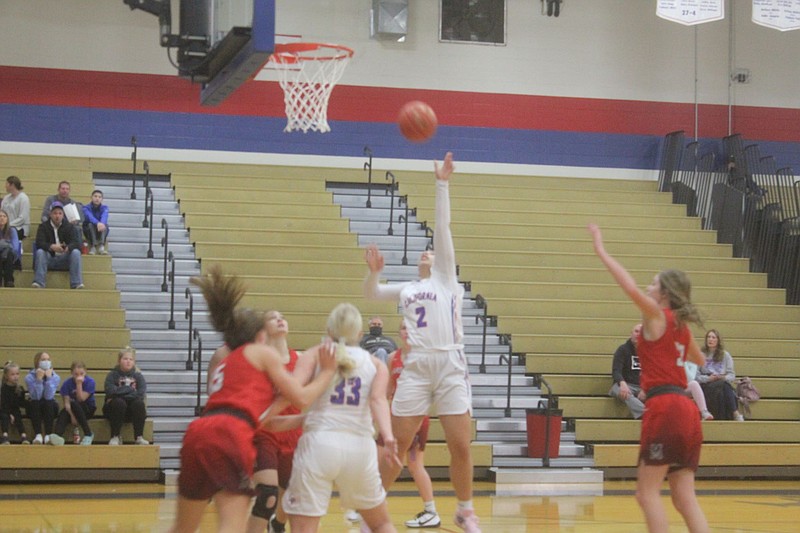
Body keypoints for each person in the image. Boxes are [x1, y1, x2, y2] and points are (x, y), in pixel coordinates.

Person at [363, 152, 482, 533]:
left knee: (460, 445)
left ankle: (465, 510)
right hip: (415, 367)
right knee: (396, 448)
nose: (430, 252)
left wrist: (441, 184)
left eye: (434, 251)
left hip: (449, 363)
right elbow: (372, 294)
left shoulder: (447, 280)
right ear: (419, 261)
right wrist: (373, 274)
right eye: (426, 252)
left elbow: (443, 230)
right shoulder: (409, 288)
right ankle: (372, 513)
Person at [169, 266, 337, 533]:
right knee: (232, 525)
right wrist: (328, 371)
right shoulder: (261, 352)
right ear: (260, 335)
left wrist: (293, 411)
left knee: (182, 528)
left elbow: (263, 419)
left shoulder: (228, 358)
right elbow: (303, 396)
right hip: (231, 433)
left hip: (199, 432)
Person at [589, 223, 709, 533]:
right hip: (688, 411)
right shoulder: (681, 325)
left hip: (666, 407)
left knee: (646, 494)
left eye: (654, 284)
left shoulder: (657, 316)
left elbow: (628, 287)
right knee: (684, 498)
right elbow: (700, 359)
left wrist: (602, 251)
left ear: (665, 294)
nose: (648, 286)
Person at [281, 302, 401, 533]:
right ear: (359, 333)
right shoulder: (376, 363)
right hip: (360, 447)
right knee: (381, 523)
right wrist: (387, 436)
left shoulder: (316, 354)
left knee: (304, 526)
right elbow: (378, 401)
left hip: (320, 443)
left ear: (329, 330)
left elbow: (293, 393)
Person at [241, 310, 304, 533]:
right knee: (267, 496)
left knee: (290, 493)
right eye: (272, 317)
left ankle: (278, 524)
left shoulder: (303, 360)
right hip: (266, 433)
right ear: (262, 330)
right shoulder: (260, 363)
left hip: (294, 434)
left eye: (282, 316)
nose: (279, 319)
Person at [32, 201, 84, 289]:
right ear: (50, 214)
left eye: (60, 213)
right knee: (40, 252)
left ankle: (76, 283)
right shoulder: (43, 227)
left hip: (65, 259)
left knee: (76, 252)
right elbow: (39, 243)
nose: (57, 216)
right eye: (55, 213)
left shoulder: (70, 227)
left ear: (63, 215)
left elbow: (77, 243)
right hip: (49, 258)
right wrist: (51, 247)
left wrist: (68, 248)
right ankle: (39, 282)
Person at [103, 347, 148, 445]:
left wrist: (119, 393)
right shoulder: (112, 375)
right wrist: (129, 389)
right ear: (119, 361)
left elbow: (140, 393)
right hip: (114, 409)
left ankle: (139, 437)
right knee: (119, 402)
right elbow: (110, 391)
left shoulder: (138, 376)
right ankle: (115, 436)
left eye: (131, 359)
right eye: (125, 359)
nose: (128, 361)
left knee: (139, 404)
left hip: (130, 411)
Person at [697, 329, 743, 421]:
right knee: (724, 385)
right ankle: (735, 412)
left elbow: (732, 375)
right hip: (707, 385)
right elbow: (695, 376)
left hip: (721, 382)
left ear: (718, 340)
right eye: (709, 337)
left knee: (723, 385)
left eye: (713, 337)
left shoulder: (725, 355)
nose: (710, 339)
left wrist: (723, 377)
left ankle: (723, 416)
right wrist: (708, 378)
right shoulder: (700, 354)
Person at [48, 360, 96, 446]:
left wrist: (79, 384)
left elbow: (81, 399)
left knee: (73, 402)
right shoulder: (67, 384)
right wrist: (72, 416)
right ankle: (58, 435)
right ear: (72, 374)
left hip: (87, 409)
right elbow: (66, 403)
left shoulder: (90, 382)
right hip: (73, 410)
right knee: (64, 412)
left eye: (81, 374)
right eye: (76, 374)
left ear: (85, 372)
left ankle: (88, 433)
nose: (79, 376)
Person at [609, 323, 645, 419]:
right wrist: (622, 384)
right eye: (636, 331)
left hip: (642, 386)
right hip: (624, 384)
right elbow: (616, 371)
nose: (638, 334)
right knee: (624, 393)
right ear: (631, 333)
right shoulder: (622, 350)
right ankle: (647, 414)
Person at [25, 351, 61, 445]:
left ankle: (48, 434)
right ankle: (38, 434)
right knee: (35, 402)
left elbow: (48, 396)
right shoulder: (29, 377)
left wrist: (49, 379)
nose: (46, 361)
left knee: (48, 402)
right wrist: (38, 380)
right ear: (37, 362)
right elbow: (36, 396)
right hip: (35, 406)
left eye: (48, 359)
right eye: (43, 359)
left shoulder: (55, 377)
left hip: (49, 406)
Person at [1, 361, 30, 444]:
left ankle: (23, 435)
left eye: (17, 374)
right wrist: (10, 414)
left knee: (18, 415)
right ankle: (5, 435)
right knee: (4, 416)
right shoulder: (3, 388)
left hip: (15, 409)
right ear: (6, 376)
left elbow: (20, 403)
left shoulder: (20, 388)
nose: (15, 376)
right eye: (12, 374)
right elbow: (3, 404)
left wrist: (28, 402)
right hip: (4, 409)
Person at [2, 175, 31, 240]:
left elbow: (22, 218)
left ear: (12, 185)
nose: (5, 186)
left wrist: (8, 224)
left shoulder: (23, 198)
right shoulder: (6, 198)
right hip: (6, 226)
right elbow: (2, 212)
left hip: (19, 227)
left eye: (7, 184)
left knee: (10, 233)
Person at [82, 189, 109, 255]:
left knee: (105, 225)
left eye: (99, 197)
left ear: (102, 199)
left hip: (100, 229)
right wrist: (98, 223)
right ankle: (93, 246)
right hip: (88, 229)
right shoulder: (86, 207)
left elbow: (104, 216)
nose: (97, 198)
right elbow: (89, 217)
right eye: (95, 196)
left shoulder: (105, 208)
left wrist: (101, 224)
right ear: (91, 197)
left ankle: (101, 246)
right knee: (91, 225)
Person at [0, 209, 21, 287]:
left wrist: (3, 244)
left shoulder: (12, 230)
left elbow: (15, 248)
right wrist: (7, 244)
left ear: (7, 219)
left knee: (9, 253)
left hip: (11, 256)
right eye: (0, 216)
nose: (2, 218)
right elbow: (10, 245)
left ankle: (9, 281)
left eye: (4, 216)